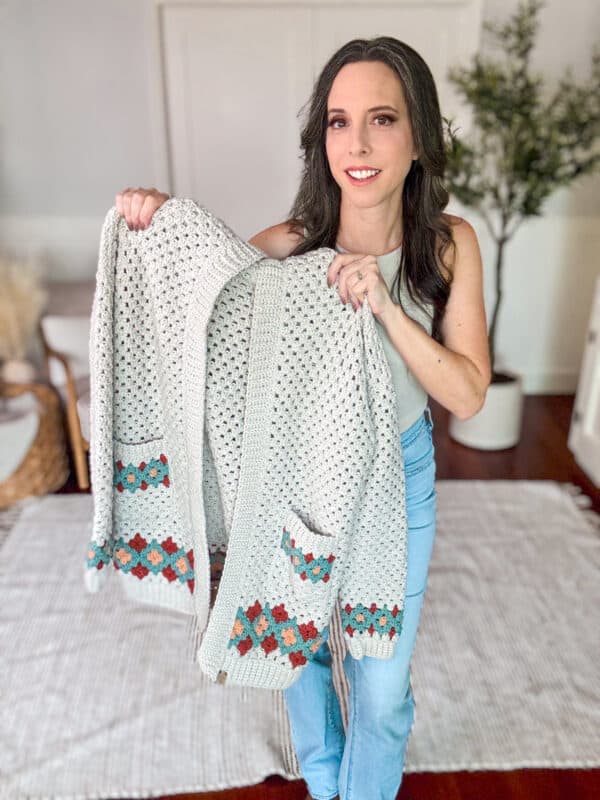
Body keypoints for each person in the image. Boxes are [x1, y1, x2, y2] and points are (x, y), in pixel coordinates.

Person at [114, 35, 490, 800]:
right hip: (298, 477)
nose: (356, 143)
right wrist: (154, 220)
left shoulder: (450, 247)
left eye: (382, 119)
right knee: (302, 649)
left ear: (419, 136)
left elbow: (468, 393)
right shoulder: (290, 248)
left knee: (382, 690)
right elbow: (196, 306)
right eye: (337, 121)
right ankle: (327, 785)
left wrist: (384, 306)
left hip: (400, 477)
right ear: (321, 140)